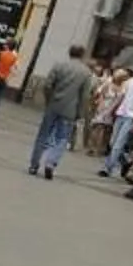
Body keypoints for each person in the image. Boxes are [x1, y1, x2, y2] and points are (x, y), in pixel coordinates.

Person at [30, 43, 96, 177]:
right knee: (62, 138)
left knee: (43, 135)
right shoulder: (86, 72)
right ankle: (51, 162)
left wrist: (49, 100)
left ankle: (34, 164)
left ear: (69, 52)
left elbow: (47, 85)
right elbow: (84, 96)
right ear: (82, 55)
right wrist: (80, 112)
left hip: (54, 105)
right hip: (70, 110)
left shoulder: (58, 65)